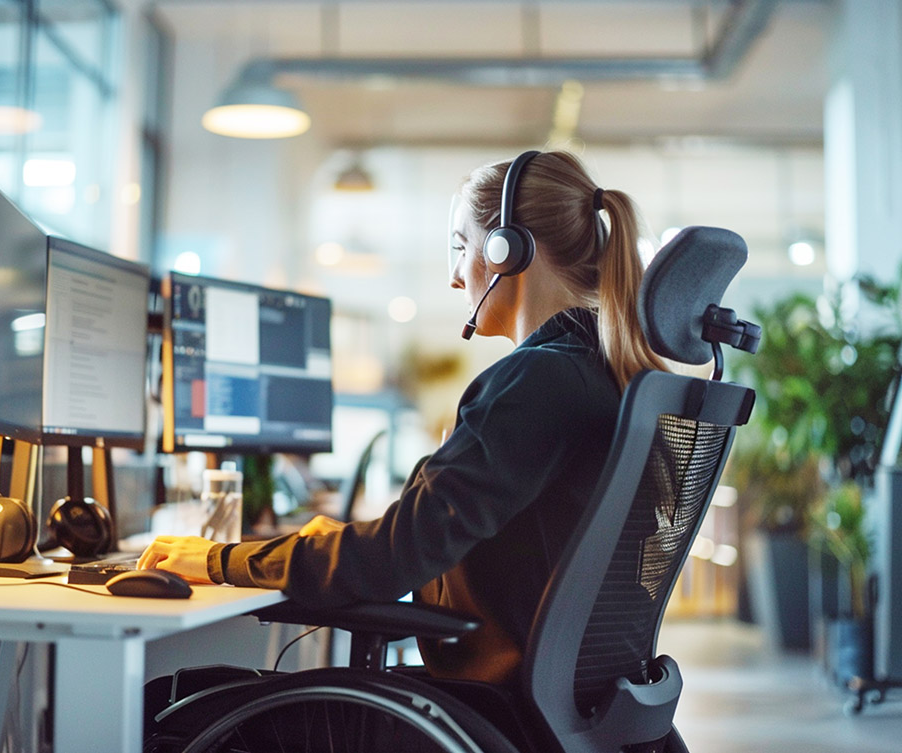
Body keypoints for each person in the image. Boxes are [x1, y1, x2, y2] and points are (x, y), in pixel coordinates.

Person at [138, 149, 667, 687]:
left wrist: (220, 559)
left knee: (168, 701)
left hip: (486, 714)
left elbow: (392, 562)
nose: (457, 278)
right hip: (561, 709)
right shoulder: (604, 373)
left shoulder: (537, 383)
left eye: (462, 248)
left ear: (508, 251)